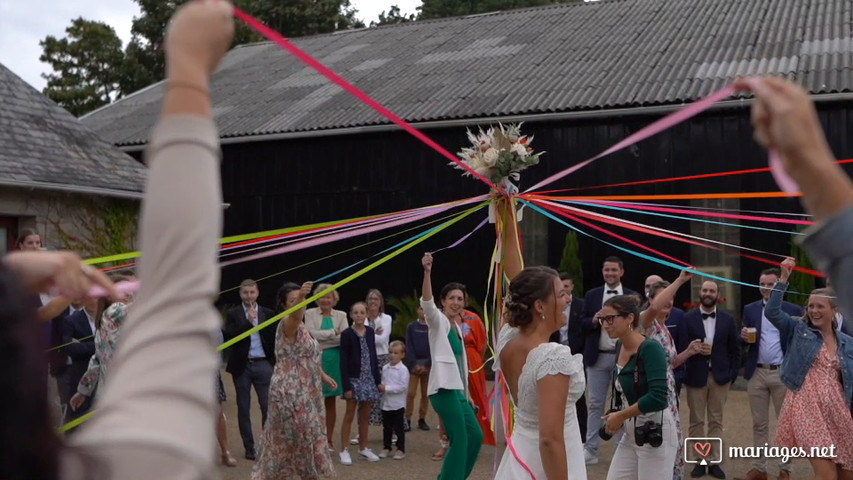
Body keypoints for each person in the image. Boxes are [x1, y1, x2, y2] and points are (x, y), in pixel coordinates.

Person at [1, 5, 236, 479]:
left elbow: (169, 302)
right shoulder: (134, 466)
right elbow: (178, 301)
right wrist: (189, 70)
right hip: (129, 399)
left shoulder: (116, 315)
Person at [493, 197, 587, 480]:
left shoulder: (508, 337)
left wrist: (507, 212)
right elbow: (550, 439)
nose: (568, 299)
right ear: (540, 306)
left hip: (520, 454)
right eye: (561, 294)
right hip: (547, 465)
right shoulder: (552, 356)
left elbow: (515, 278)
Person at [764, 258, 853, 480]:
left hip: (839, 411)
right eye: (811, 306)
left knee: (847, 474)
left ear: (835, 310)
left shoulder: (847, 342)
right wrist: (783, 278)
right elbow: (772, 313)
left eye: (820, 306)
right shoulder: (799, 329)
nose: (814, 310)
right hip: (806, 408)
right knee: (827, 476)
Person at [251, 280, 337, 480]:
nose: (299, 302)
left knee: (303, 435)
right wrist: (301, 298)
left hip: (308, 389)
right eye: (293, 300)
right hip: (290, 391)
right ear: (284, 305)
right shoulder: (288, 323)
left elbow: (305, 356)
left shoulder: (303, 327)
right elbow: (297, 313)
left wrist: (323, 375)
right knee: (298, 436)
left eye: (300, 299)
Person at [599, 295, 678, 480]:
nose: (605, 324)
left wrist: (621, 416)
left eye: (610, 318)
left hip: (654, 430)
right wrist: (616, 414)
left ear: (629, 318)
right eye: (603, 319)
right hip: (630, 433)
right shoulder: (620, 345)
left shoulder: (651, 348)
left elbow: (659, 397)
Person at [421, 253, 483, 480]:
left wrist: (468, 395)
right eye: (452, 298)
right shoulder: (438, 322)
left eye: (460, 298)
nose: (456, 302)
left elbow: (460, 366)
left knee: (475, 436)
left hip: (458, 392)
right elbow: (426, 304)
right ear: (443, 301)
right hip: (442, 390)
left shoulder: (459, 328)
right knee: (460, 438)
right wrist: (427, 272)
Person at [737, 267, 803, 480]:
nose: (765, 288)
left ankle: (785, 469)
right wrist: (743, 336)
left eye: (770, 284)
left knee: (785, 423)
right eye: (762, 284)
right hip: (757, 372)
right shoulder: (750, 308)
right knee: (759, 424)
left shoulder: (792, 309)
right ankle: (760, 468)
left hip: (782, 372)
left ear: (780, 285)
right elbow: (744, 338)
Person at [641, 271, 704, 480]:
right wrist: (679, 280)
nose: (669, 301)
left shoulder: (665, 328)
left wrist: (689, 352)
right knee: (659, 443)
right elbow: (654, 308)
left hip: (671, 395)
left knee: (673, 442)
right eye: (664, 296)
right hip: (654, 393)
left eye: (671, 297)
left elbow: (672, 363)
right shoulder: (646, 324)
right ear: (651, 299)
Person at [678, 280, 739, 479]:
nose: (708, 293)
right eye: (705, 290)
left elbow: (734, 350)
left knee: (716, 421)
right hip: (695, 376)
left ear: (717, 294)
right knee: (696, 421)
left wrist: (731, 375)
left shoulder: (728, 320)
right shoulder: (688, 319)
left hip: (720, 377)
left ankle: (714, 462)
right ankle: (700, 460)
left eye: (712, 290)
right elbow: (681, 347)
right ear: (700, 293)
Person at [580, 256, 638, 464]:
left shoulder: (632, 296)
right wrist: (594, 320)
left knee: (623, 404)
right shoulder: (592, 294)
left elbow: (637, 327)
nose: (610, 274)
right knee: (595, 403)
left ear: (621, 272)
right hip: (597, 357)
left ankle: (620, 450)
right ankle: (591, 449)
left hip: (623, 358)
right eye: (607, 270)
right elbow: (582, 323)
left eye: (614, 270)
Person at [223, 279, 276, 460]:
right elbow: (229, 335)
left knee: (267, 406)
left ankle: (268, 445)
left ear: (257, 293)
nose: (249, 296)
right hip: (242, 366)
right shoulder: (233, 314)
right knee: (243, 408)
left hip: (263, 364)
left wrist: (272, 363)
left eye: (252, 292)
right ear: (240, 294)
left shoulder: (268, 313)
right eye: (245, 293)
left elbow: (273, 339)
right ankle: (250, 448)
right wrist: (248, 322)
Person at [69, 274, 136, 413]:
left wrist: (83, 391)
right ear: (109, 296)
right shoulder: (113, 311)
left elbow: (97, 361)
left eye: (130, 289)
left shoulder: (102, 327)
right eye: (123, 289)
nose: (129, 293)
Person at [304, 284, 347, 451]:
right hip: (314, 359)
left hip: (334, 359)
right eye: (322, 296)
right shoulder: (309, 313)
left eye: (328, 296)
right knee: (313, 401)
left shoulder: (342, 315)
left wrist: (323, 337)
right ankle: (314, 439)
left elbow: (344, 338)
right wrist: (332, 333)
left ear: (334, 299)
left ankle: (328, 440)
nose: (325, 299)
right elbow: (309, 334)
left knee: (331, 402)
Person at [338, 301, 382, 465]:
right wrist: (346, 386)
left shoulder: (370, 332)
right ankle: (344, 449)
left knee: (365, 415)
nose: (359, 315)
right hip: (354, 379)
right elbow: (343, 361)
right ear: (351, 315)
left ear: (366, 315)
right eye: (355, 312)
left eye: (362, 312)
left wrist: (377, 381)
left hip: (368, 378)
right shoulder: (347, 334)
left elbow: (373, 355)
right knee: (350, 414)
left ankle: (364, 447)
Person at [548, 271, 588, 441]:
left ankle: (582, 436)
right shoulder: (550, 309)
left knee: (578, 397)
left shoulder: (581, 305)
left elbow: (585, 329)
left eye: (567, 287)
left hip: (576, 354)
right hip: (553, 353)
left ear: (572, 286)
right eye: (560, 289)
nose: (565, 293)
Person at [62, 296, 103, 424]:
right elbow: (71, 349)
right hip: (81, 375)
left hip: (105, 376)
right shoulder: (71, 321)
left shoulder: (110, 317)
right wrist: (101, 345)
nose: (94, 300)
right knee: (79, 419)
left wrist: (84, 345)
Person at [461, 299, 495, 445]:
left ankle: (482, 434)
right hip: (453, 356)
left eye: (460, 298)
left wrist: (474, 357)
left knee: (478, 395)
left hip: (471, 356)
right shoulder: (444, 317)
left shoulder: (473, 318)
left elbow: (482, 343)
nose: (456, 302)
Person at [366, 289, 393, 429]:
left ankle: (392, 430)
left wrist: (367, 334)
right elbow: (359, 339)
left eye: (376, 299)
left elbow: (382, 339)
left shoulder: (386, 318)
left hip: (383, 359)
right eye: (371, 298)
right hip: (366, 360)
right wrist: (373, 333)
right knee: (366, 396)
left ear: (380, 302)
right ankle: (362, 430)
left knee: (385, 394)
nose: (373, 301)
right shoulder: (362, 317)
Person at [379, 340, 409, 460]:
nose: (393, 355)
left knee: (399, 427)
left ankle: (400, 448)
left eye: (396, 353)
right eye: (391, 352)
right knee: (387, 427)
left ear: (402, 355)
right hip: (386, 403)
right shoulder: (385, 368)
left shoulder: (403, 370)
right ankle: (386, 447)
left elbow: (402, 386)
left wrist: (387, 388)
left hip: (398, 404)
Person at [404, 306, 431, 432]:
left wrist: (426, 365)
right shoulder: (412, 326)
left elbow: (434, 346)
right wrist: (414, 364)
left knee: (426, 394)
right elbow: (409, 346)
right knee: (411, 393)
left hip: (427, 365)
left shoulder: (432, 327)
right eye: (421, 308)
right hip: (414, 365)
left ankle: (422, 419)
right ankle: (407, 419)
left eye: (425, 309)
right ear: (417, 310)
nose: (423, 311)